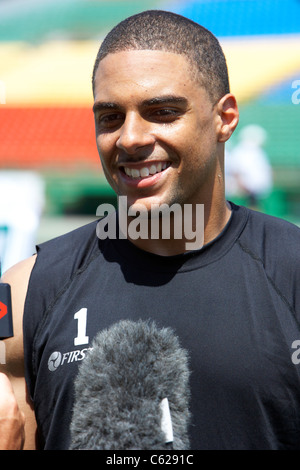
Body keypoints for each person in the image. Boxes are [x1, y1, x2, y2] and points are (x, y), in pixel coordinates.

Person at [0, 10, 300, 450]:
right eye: (110, 117)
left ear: (225, 118)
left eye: (162, 112)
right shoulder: (28, 292)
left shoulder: (291, 271)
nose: (130, 137)